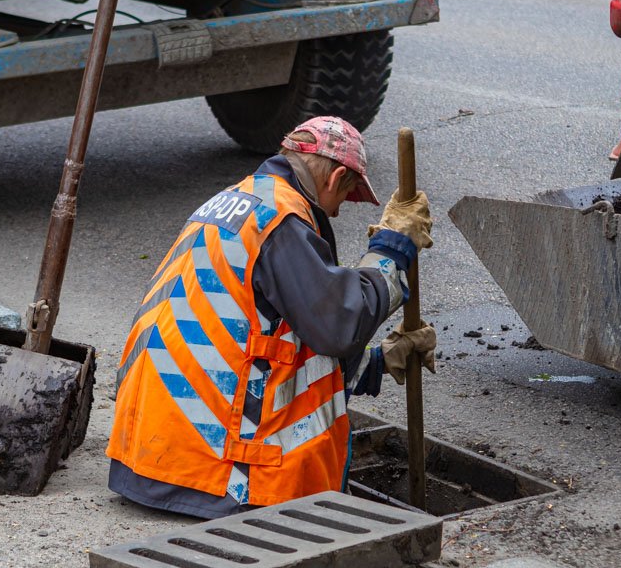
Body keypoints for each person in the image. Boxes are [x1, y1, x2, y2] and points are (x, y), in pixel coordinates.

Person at [106, 116, 435, 517]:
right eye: (345, 196)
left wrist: (377, 363)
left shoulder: (236, 201)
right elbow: (338, 324)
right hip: (214, 476)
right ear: (336, 179)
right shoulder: (280, 218)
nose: (335, 213)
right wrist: (392, 247)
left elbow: (251, 339)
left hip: (151, 453)